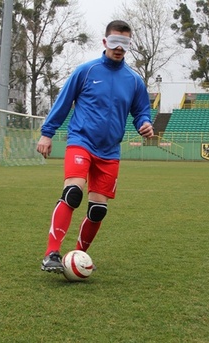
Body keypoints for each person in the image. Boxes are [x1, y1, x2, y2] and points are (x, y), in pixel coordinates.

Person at [36, 20, 154, 273]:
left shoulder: (134, 80)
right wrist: (47, 134)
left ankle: (77, 256)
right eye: (114, 42)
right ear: (104, 42)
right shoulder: (86, 71)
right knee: (73, 193)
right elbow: (63, 102)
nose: (119, 48)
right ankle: (51, 253)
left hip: (110, 151)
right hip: (81, 141)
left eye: (124, 43)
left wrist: (145, 123)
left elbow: (142, 110)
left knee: (98, 210)